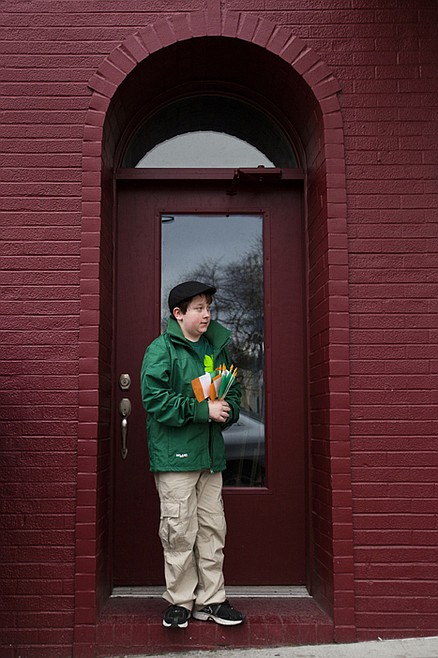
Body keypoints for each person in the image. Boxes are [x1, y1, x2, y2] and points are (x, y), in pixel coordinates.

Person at [140, 280, 245, 629]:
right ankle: (180, 602)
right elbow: (154, 400)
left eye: (208, 308)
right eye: (199, 308)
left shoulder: (216, 347)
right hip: (176, 459)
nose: (206, 314)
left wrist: (228, 409)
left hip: (210, 458)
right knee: (179, 532)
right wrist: (203, 411)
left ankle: (211, 600)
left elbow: (233, 389)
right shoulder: (161, 350)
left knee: (213, 530)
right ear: (178, 314)